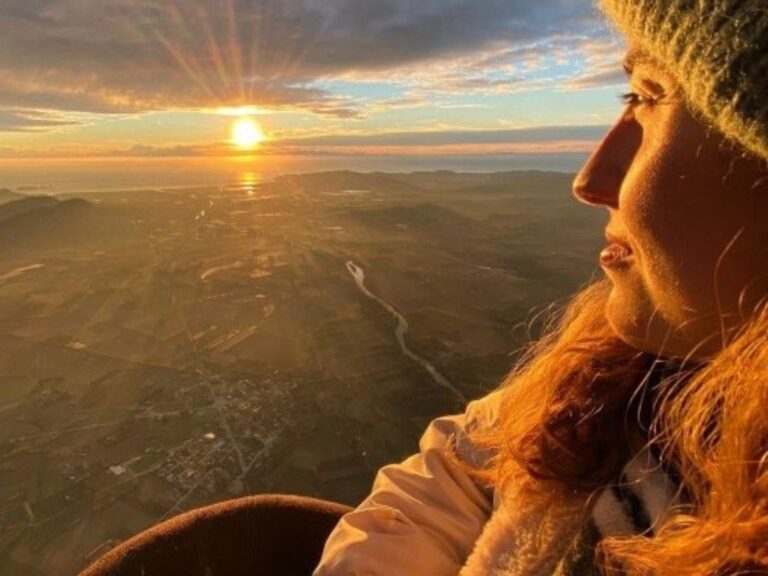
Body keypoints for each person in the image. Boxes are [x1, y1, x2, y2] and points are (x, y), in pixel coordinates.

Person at [313, 0, 768, 575]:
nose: (590, 179)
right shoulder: (624, 375)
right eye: (629, 97)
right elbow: (463, 469)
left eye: (651, 97)